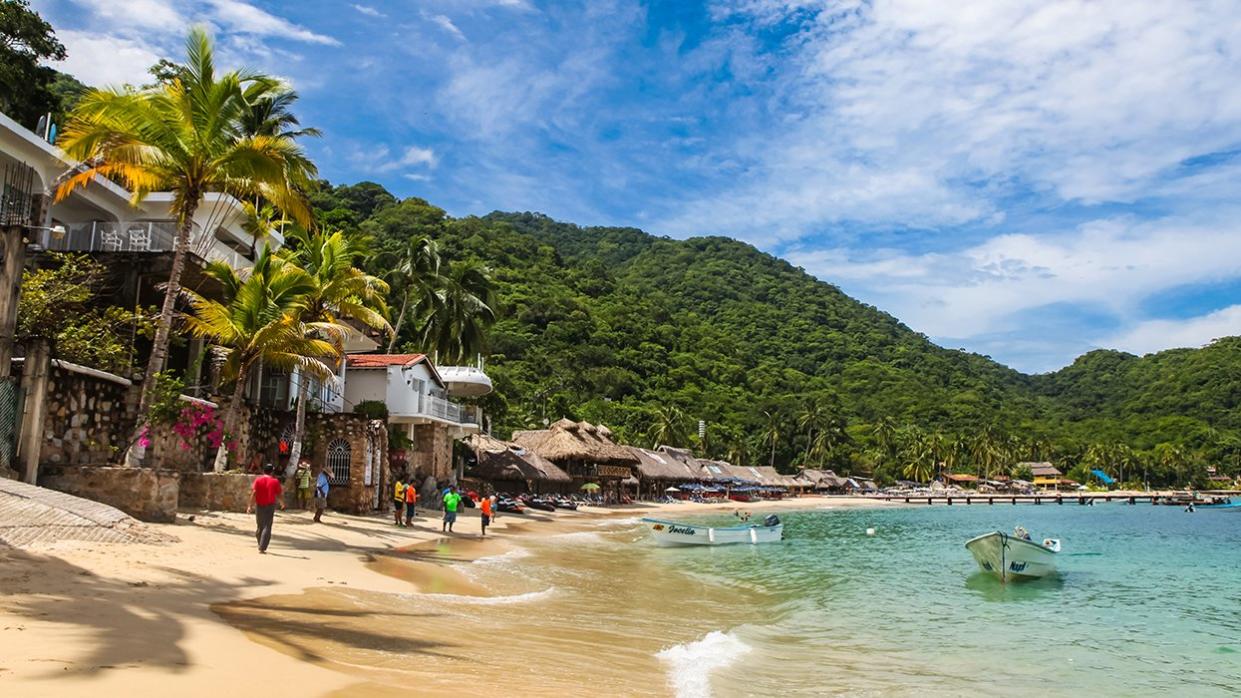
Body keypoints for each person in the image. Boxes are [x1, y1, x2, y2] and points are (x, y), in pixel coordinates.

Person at [247, 464, 285, 553]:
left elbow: (254, 493)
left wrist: (250, 506)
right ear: (272, 472)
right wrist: (282, 503)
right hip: (270, 505)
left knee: (260, 525)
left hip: (259, 505)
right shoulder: (275, 481)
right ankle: (262, 546)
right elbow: (279, 494)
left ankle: (260, 543)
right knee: (267, 526)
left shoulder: (258, 480)